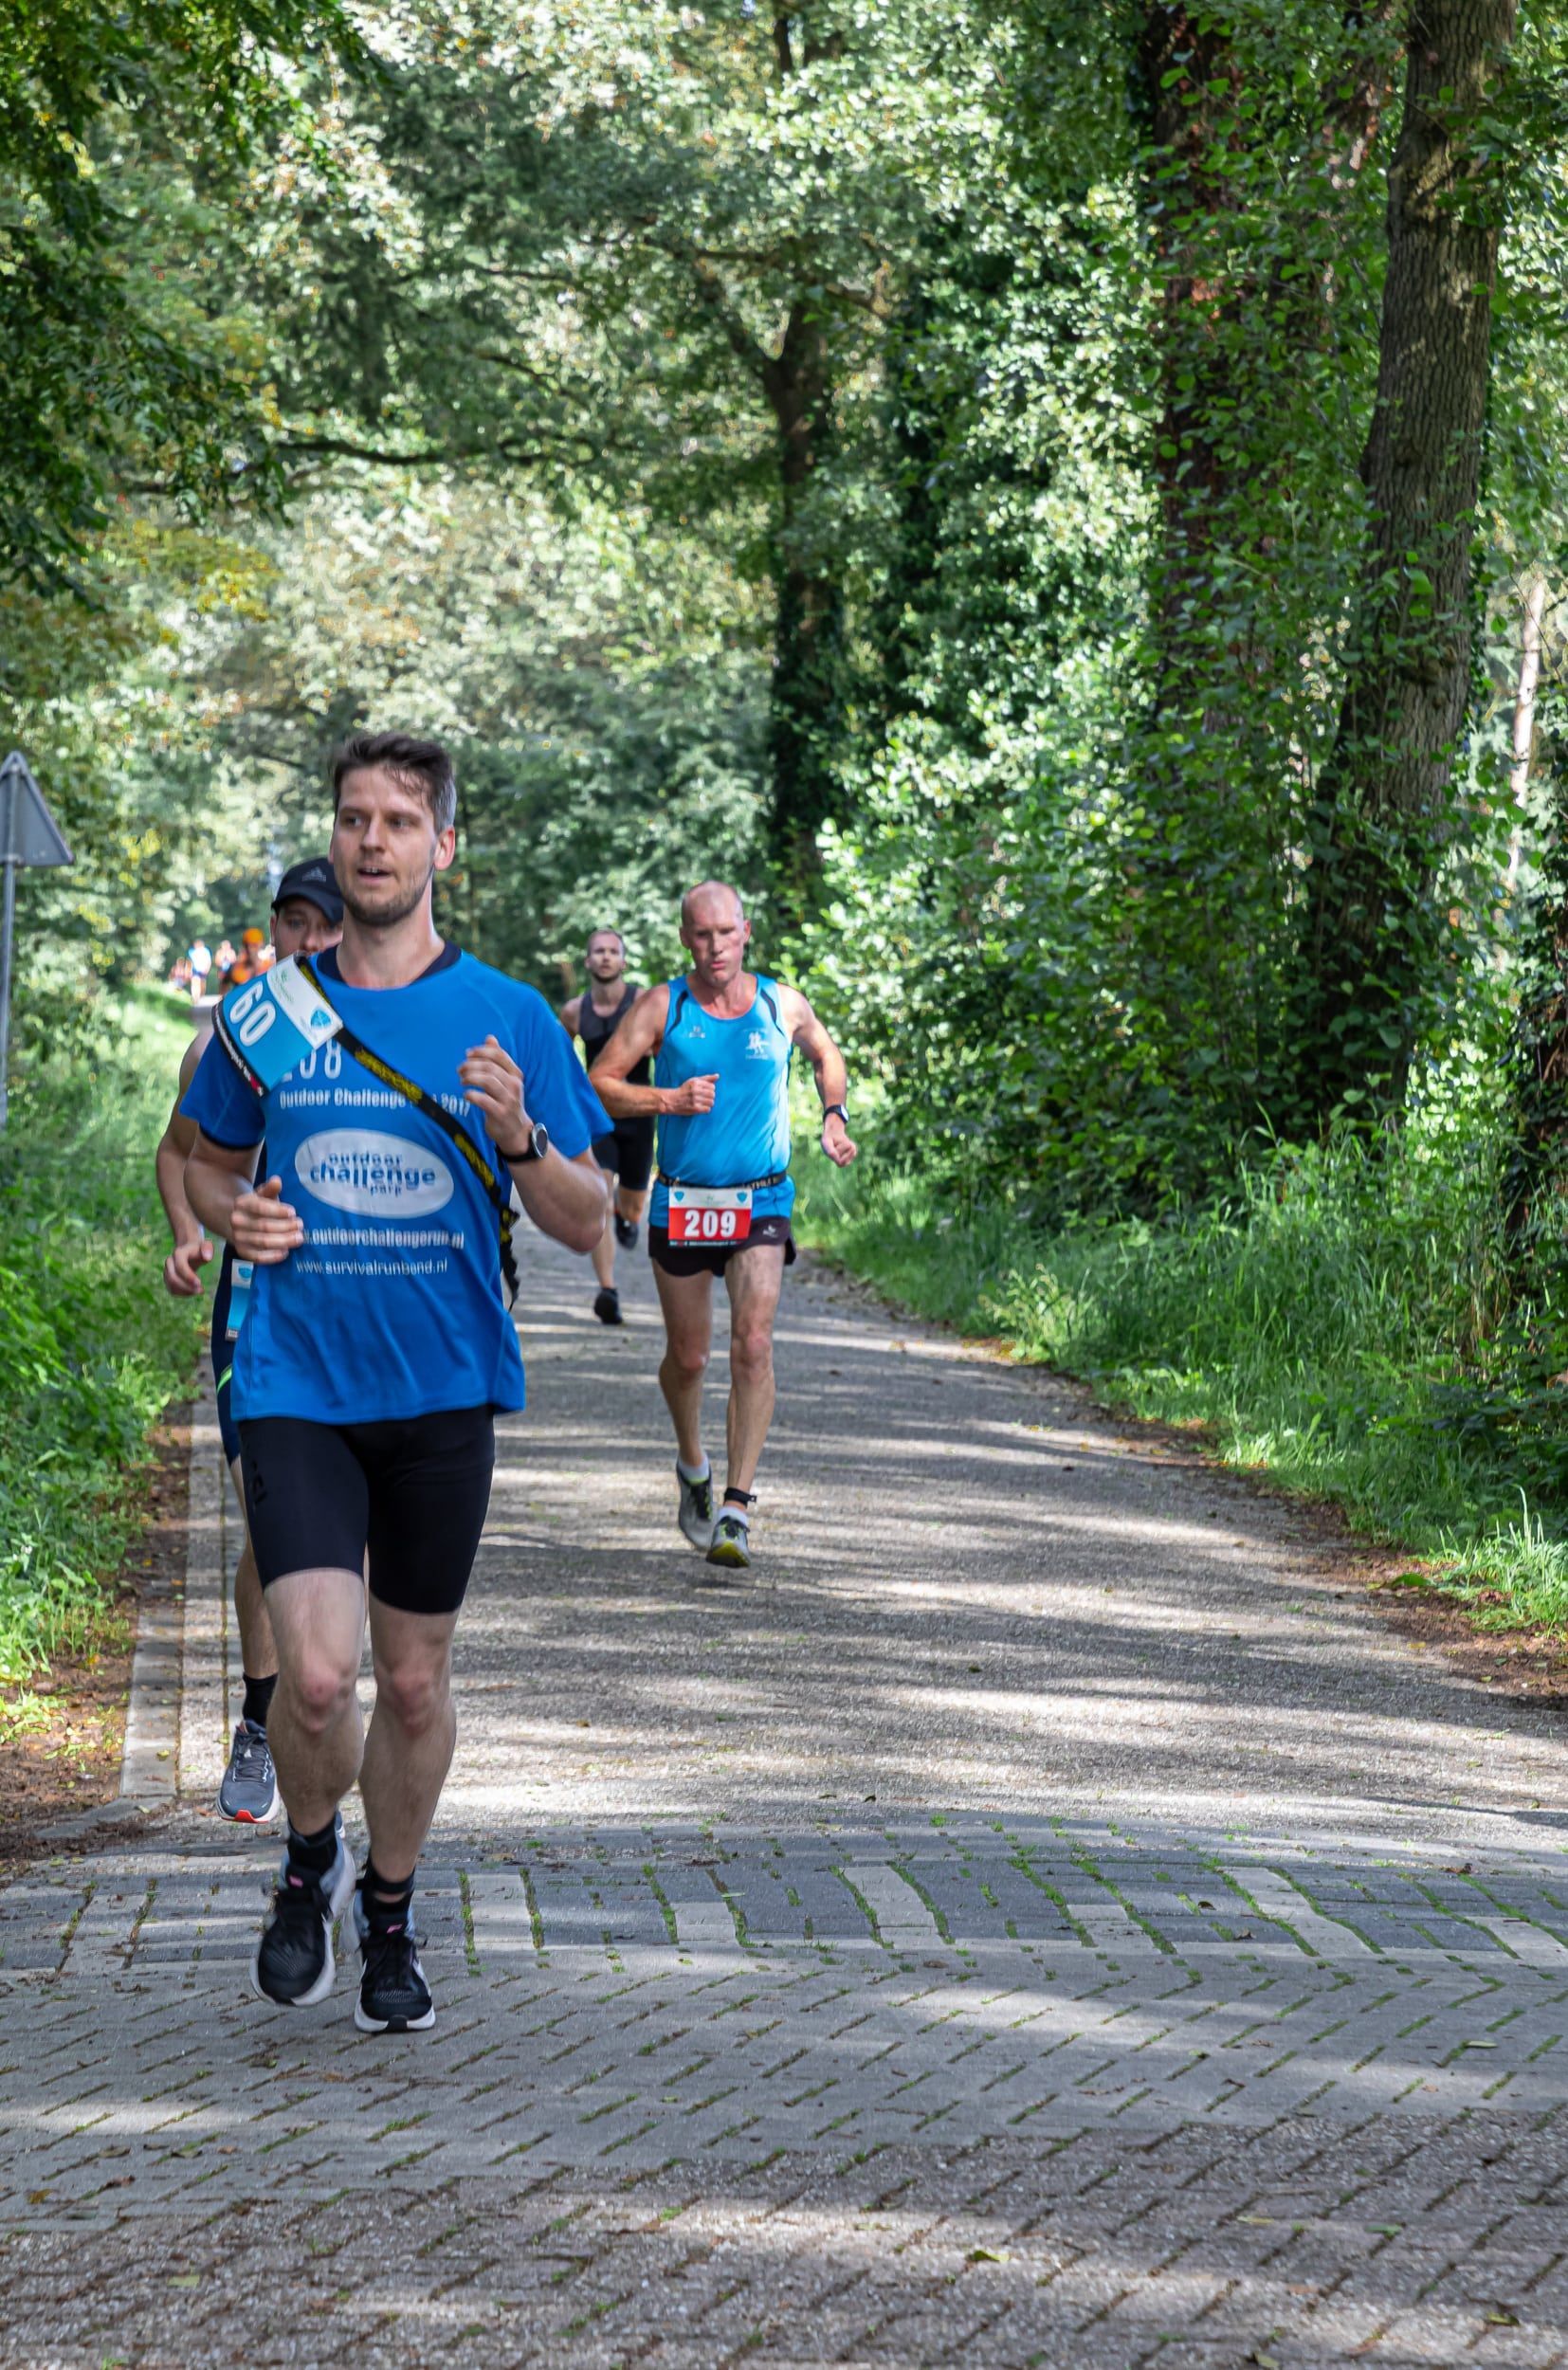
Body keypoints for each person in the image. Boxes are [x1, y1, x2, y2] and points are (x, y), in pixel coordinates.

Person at [182, 731, 608, 2033]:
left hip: (439, 1393)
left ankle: (387, 1907)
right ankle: (306, 1860)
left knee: (412, 1683)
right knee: (315, 1682)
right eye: (355, 817)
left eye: (399, 821)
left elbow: (586, 1215)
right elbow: (200, 1158)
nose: (373, 839)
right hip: (295, 1382)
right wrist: (229, 1212)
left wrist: (520, 1134)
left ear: (443, 848)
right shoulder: (268, 1012)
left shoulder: (511, 1018)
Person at [155, 856, 347, 1822]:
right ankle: (261, 1724)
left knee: (344, 1542)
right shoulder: (234, 1039)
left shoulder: (378, 1028)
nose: (305, 942)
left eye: (323, 925)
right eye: (291, 924)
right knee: (273, 1532)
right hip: (254, 1312)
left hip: (356, 1314)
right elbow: (177, 1154)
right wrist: (193, 1231)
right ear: (270, 931)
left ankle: (316, 1712)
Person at [593, 881, 857, 1572]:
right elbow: (601, 1080)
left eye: (726, 933)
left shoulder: (781, 1003)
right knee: (689, 1359)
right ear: (687, 938)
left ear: (746, 932)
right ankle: (693, 1468)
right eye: (701, 935)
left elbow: (829, 1056)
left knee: (754, 1341)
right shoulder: (663, 1005)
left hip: (761, 1202)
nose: (715, 948)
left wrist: (834, 1116)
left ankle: (736, 1508)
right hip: (682, 1200)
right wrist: (667, 1099)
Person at [559, 926, 656, 1327]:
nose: (604, 957)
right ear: (587, 960)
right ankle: (608, 1290)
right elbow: (560, 1060)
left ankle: (627, 1215)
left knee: (632, 1203)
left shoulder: (644, 1003)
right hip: (596, 1115)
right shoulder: (573, 1011)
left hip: (638, 1112)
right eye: (597, 951)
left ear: (624, 961)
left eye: (612, 951)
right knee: (598, 1194)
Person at [188, 939, 213, 1003]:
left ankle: (200, 996)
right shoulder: (192, 952)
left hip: (203, 970)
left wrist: (207, 969)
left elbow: (209, 961)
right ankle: (195, 997)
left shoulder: (206, 951)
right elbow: (189, 961)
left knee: (202, 985)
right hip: (195, 970)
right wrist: (189, 970)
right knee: (195, 983)